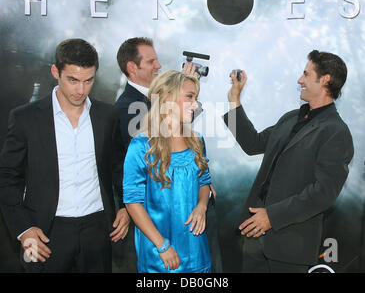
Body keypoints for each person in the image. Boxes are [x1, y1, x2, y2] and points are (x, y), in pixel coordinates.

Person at [0, 38, 130, 272]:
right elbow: (7, 177)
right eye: (73, 80)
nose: (81, 90)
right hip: (43, 232)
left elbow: (117, 166)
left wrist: (125, 206)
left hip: (98, 230)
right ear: (55, 72)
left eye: (88, 80)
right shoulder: (25, 118)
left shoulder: (107, 115)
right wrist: (23, 229)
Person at [223, 50, 354, 273]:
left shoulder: (336, 132)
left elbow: (323, 193)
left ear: (325, 80)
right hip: (255, 236)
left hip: (290, 246)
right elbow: (253, 144)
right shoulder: (291, 118)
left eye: (306, 74)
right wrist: (234, 101)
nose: (299, 80)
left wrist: (272, 217)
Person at [115, 37, 222, 272]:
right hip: (159, 255)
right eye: (189, 97)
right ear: (167, 99)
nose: (195, 105)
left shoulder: (197, 141)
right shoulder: (141, 146)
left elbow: (204, 182)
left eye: (195, 98)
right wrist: (162, 246)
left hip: (197, 250)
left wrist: (202, 206)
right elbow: (132, 202)